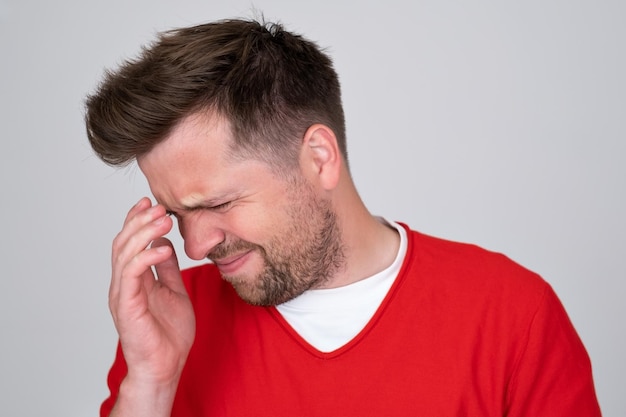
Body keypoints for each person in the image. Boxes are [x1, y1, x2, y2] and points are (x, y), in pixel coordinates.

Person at [85, 18, 602, 417]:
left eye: (217, 204)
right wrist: (150, 382)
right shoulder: (171, 325)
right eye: (177, 214)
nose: (195, 247)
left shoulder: (511, 315)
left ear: (319, 158)